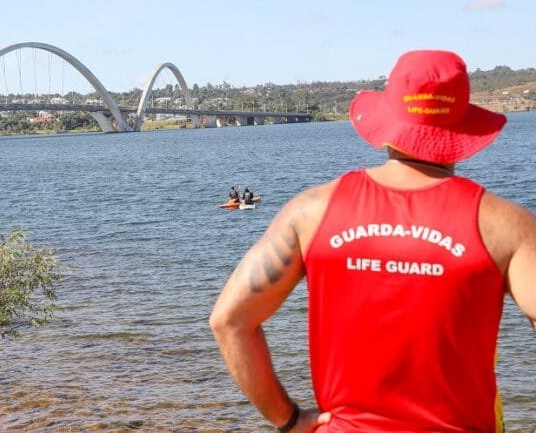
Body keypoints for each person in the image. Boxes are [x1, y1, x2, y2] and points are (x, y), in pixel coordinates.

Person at [209, 50, 536, 432]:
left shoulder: (312, 212)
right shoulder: (506, 226)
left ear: (388, 120)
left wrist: (289, 418)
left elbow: (229, 320)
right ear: (463, 125)